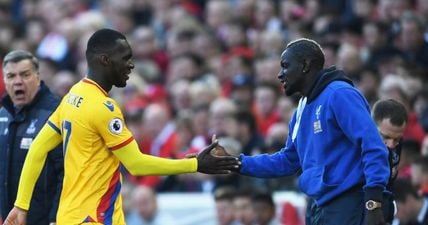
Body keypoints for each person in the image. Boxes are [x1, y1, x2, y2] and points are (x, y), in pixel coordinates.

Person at [3, 28, 240, 225]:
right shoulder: (103, 108)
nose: (131, 65)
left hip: (69, 217)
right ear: (105, 60)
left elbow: (37, 149)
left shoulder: (73, 96)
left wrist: (21, 205)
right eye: (125, 58)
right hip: (95, 218)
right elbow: (136, 164)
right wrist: (195, 164)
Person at [221, 38, 390, 225]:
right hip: (319, 206)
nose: (280, 74)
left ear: (305, 65)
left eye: (285, 66)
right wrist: (236, 163)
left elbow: (373, 146)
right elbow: (288, 161)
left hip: (350, 203)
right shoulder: (301, 107)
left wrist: (373, 203)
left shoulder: (339, 94)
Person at [0, 50, 64, 225]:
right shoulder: (3, 115)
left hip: (45, 219)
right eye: (11, 76)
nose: (18, 81)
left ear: (38, 76)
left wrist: (55, 219)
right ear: (5, 81)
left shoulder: (56, 113)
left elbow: (66, 173)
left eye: (25, 75)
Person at [371, 99, 408, 222]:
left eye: (397, 139)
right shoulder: (356, 148)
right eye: (385, 137)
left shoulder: (397, 144)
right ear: (371, 127)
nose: (391, 145)